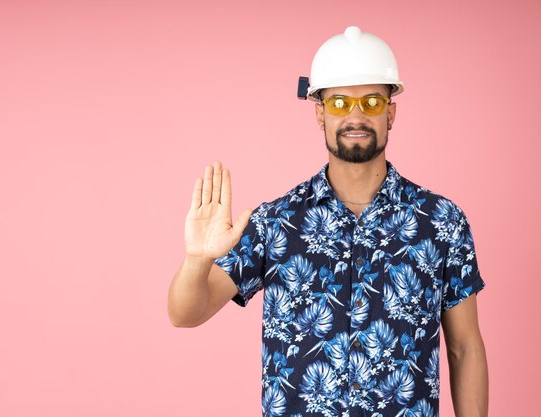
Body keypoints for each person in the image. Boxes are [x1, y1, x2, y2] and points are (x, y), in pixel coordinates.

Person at [168, 26, 488, 417]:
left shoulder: (442, 222)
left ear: (391, 111)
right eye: (339, 103)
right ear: (320, 113)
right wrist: (197, 261)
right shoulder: (276, 223)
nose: (356, 116)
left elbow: (464, 347)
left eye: (371, 101)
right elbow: (185, 314)